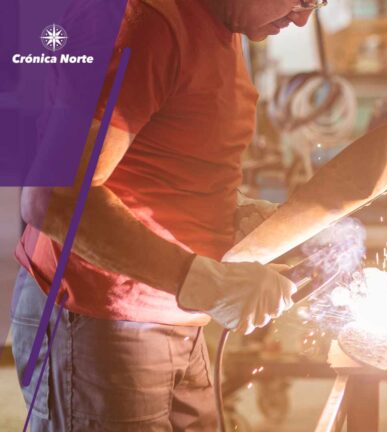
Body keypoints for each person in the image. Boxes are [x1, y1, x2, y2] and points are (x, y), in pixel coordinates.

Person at [12, 0, 318, 430]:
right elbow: (55, 198)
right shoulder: (149, 25)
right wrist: (204, 282)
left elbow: (163, 162)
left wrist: (238, 214)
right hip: (101, 321)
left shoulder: (223, 25)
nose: (304, 18)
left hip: (173, 316)